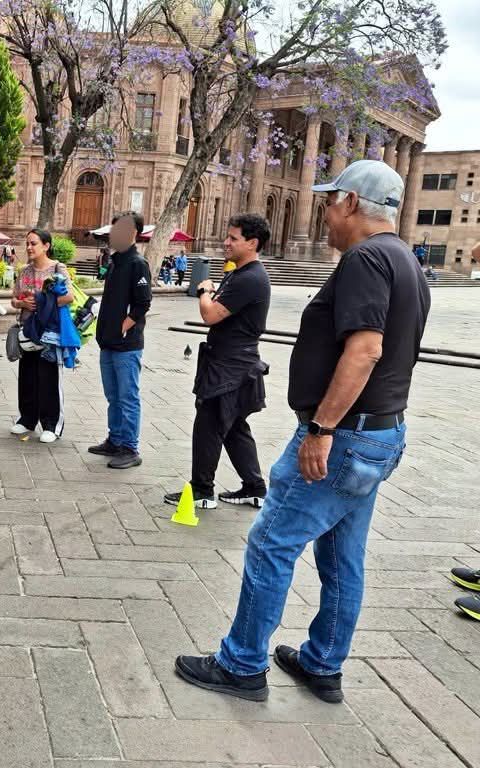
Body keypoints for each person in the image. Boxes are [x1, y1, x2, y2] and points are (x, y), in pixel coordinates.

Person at [175, 160, 430, 704]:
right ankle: (323, 662)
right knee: (342, 556)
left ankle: (241, 663)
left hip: (343, 438)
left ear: (353, 204)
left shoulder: (365, 258)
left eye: (330, 201)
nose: (325, 212)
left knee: (271, 542)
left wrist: (321, 427)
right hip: (381, 434)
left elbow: (366, 350)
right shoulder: (405, 259)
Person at [164, 214, 272, 511]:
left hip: (231, 367)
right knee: (235, 426)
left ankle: (201, 491)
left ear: (252, 243)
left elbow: (210, 315)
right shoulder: (240, 273)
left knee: (208, 426)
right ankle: (255, 488)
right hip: (230, 363)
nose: (226, 242)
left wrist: (204, 292)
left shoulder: (250, 278)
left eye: (233, 238)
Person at [88, 211, 152, 469]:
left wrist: (122, 329)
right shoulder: (115, 262)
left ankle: (130, 448)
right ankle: (115, 440)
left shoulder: (138, 263)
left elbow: (142, 303)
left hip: (126, 346)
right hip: (108, 343)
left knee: (127, 396)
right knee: (113, 395)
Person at [10, 229, 72, 443]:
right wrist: (22, 303)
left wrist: (42, 301)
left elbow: (69, 297)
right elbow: (14, 300)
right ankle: (27, 419)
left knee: (48, 378)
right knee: (27, 377)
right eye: (27, 243)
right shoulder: (24, 271)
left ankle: (51, 424)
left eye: (33, 243)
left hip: (50, 332)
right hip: (28, 331)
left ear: (46, 245)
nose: (29, 247)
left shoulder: (57, 268)